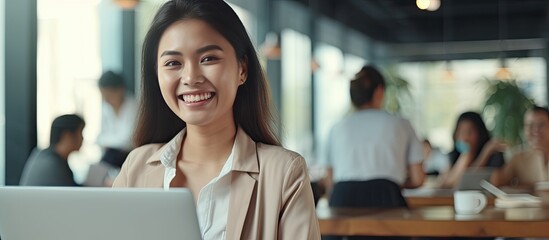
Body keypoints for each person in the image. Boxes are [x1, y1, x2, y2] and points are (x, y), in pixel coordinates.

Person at [112, 0, 320, 239]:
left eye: (208, 58)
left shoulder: (284, 174)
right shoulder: (136, 167)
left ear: (242, 69)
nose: (191, 77)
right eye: (173, 63)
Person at [321, 65, 425, 198]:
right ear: (379, 91)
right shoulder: (402, 124)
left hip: (342, 201)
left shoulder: (335, 128)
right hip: (387, 199)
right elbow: (418, 179)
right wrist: (394, 184)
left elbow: (329, 182)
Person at [438, 111, 506, 188]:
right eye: (461, 131)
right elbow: (447, 182)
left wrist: (486, 153)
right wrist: (466, 156)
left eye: (470, 131)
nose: (465, 136)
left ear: (480, 133)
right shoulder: (452, 155)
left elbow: (493, 180)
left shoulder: (493, 155)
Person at [491, 106, 549, 188]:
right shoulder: (517, 157)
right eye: (530, 125)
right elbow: (497, 183)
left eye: (541, 125)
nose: (536, 130)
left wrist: (527, 186)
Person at [20, 114, 85, 186]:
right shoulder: (54, 166)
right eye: (81, 133)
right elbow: (73, 194)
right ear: (67, 136)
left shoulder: (42, 156)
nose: (82, 139)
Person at [97, 70, 137, 168]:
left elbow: (127, 141)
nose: (106, 99)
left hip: (130, 155)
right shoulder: (106, 108)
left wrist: (106, 141)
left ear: (120, 90)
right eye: (103, 95)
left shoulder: (133, 107)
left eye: (109, 94)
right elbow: (99, 137)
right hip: (112, 155)